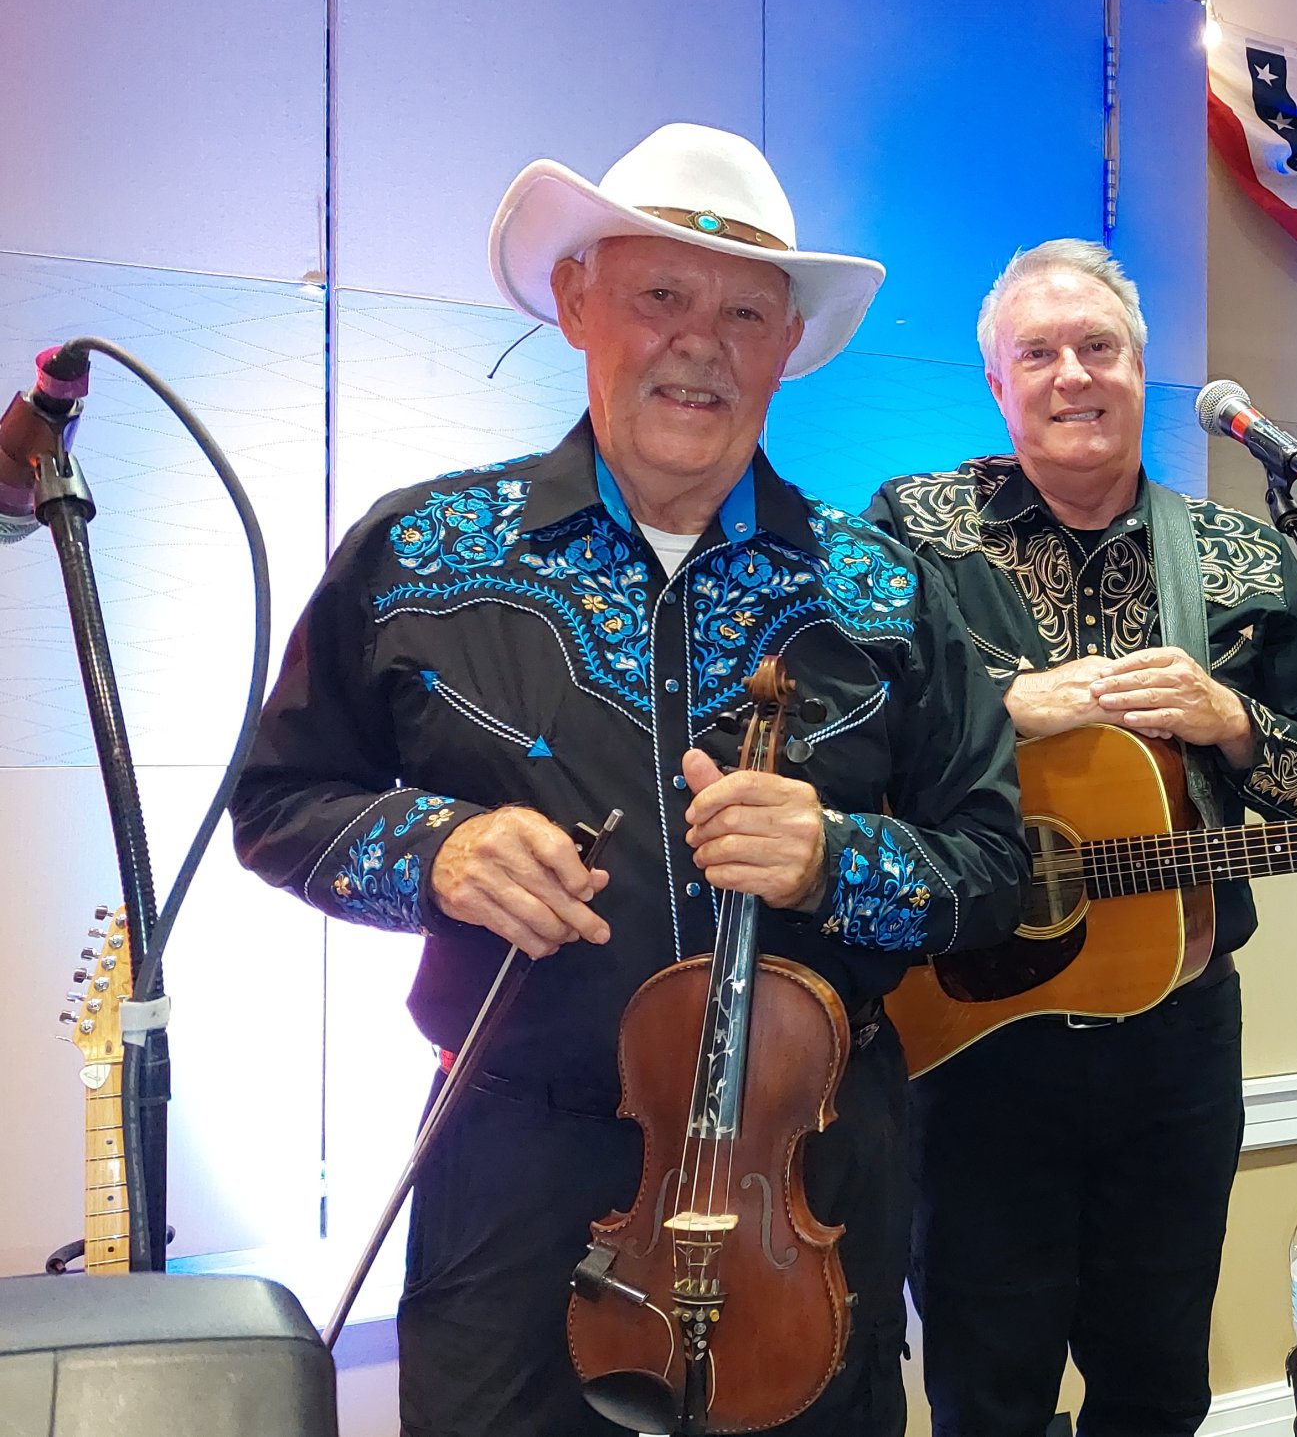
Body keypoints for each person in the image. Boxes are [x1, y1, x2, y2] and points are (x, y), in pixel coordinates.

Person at [229, 123, 1026, 1437]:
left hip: (807, 1195)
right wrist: (437, 850)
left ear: (786, 347)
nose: (698, 340)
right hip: (521, 1176)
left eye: (744, 311)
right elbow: (276, 806)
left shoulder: (888, 590)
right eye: (659, 294)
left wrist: (843, 856)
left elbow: (996, 874)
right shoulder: (416, 550)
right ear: (576, 298)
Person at [863, 238, 1297, 1437]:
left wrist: (1231, 719)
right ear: (997, 384)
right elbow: (846, 743)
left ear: (1143, 369)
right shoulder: (909, 531)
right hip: (974, 1037)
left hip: (1177, 1042)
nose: (1071, 374)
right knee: (991, 1385)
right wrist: (1002, 710)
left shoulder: (1245, 557)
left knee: (1156, 1383)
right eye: (1037, 352)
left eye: (1099, 347)